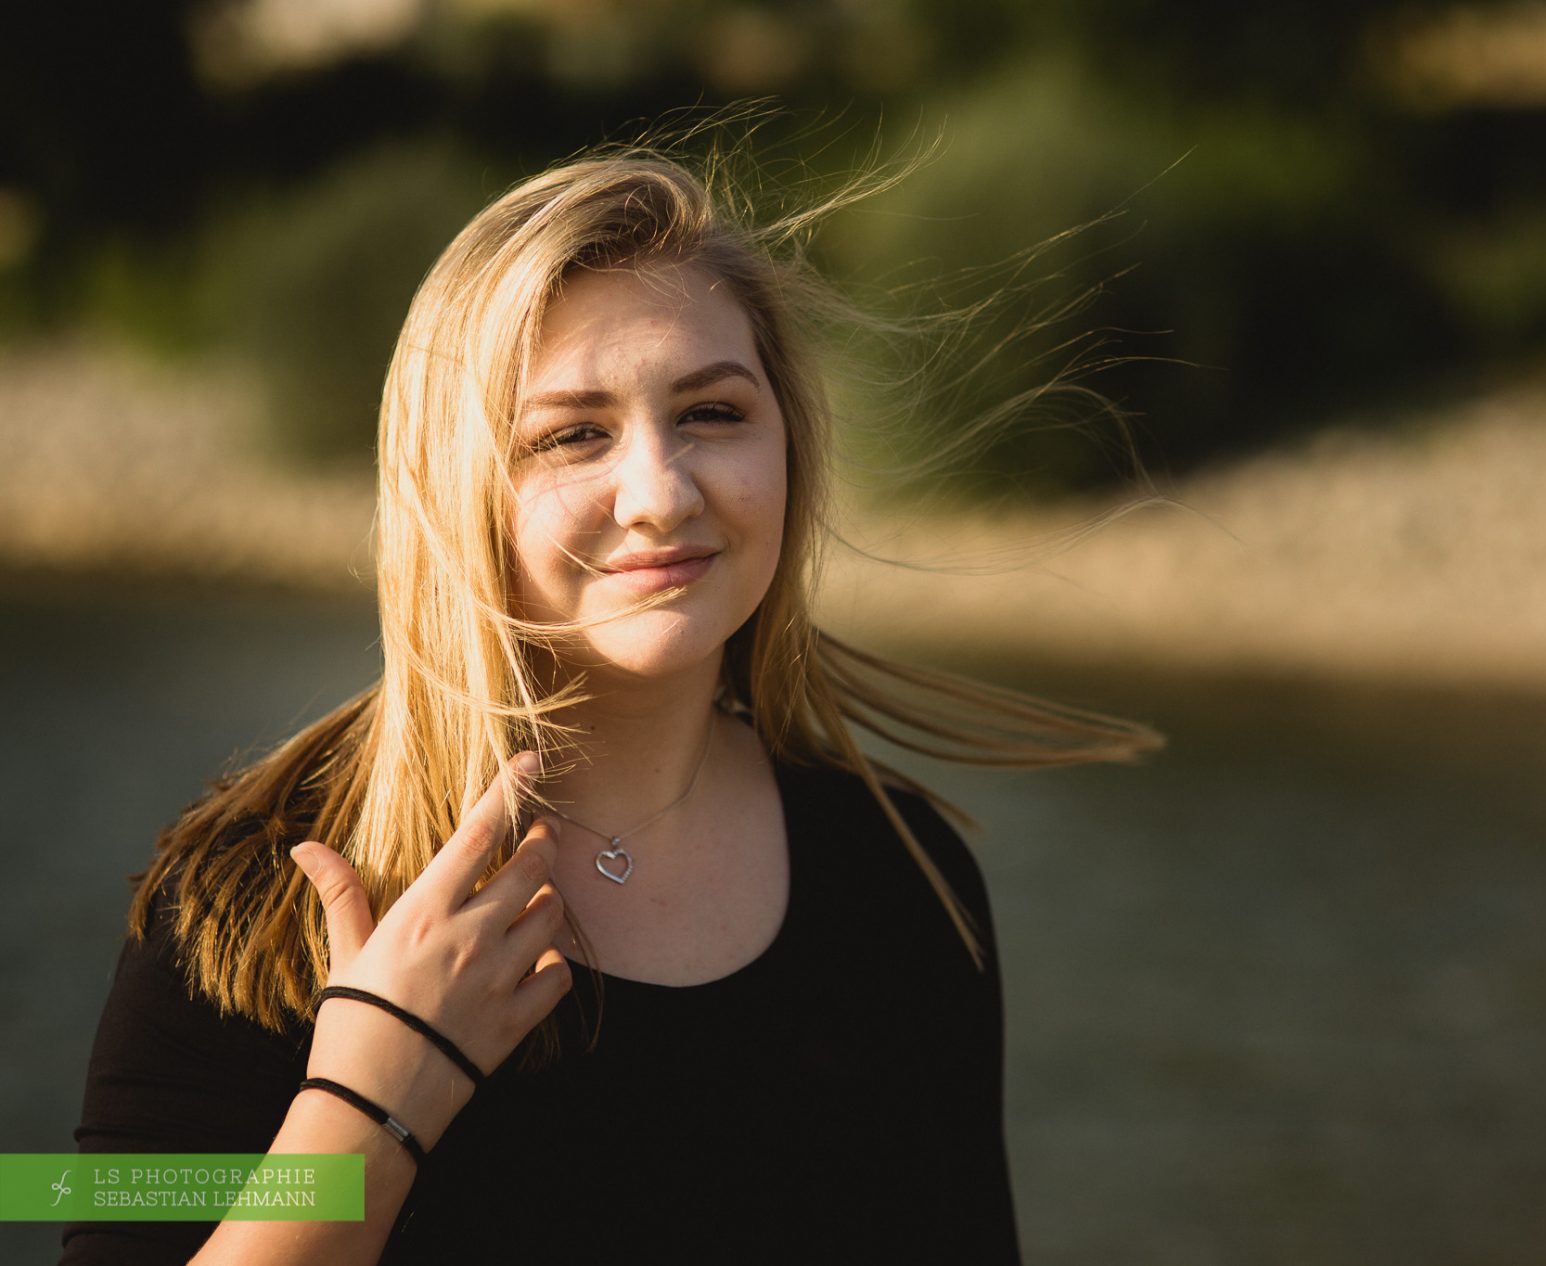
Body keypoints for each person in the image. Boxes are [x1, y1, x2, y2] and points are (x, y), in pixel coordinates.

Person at [60, 143, 1158, 1265]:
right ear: (454, 488)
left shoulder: (905, 880)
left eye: (713, 414)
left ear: (791, 444)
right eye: (573, 434)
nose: (661, 494)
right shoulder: (243, 899)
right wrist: (367, 1101)